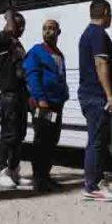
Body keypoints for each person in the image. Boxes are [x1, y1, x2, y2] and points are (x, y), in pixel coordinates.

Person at [78, 0, 112, 202]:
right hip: (96, 96)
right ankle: (92, 186)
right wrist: (110, 95)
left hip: (93, 95)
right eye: (110, 13)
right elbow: (100, 64)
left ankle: (96, 179)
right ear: (105, 12)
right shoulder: (97, 34)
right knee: (96, 141)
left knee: (99, 140)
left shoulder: (91, 33)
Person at [24, 19, 69, 192]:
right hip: (42, 105)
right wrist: (41, 100)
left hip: (56, 104)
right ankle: (39, 179)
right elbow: (32, 76)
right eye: (45, 29)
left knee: (52, 139)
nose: (48, 32)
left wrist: (64, 95)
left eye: (52, 29)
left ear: (58, 32)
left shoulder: (59, 53)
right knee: (41, 139)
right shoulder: (37, 52)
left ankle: (46, 176)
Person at [0, 9, 32, 189]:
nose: (21, 28)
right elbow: (8, 31)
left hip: (21, 95)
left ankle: (14, 170)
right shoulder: (2, 40)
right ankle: (2, 171)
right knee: (8, 134)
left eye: (23, 25)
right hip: (8, 95)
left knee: (20, 135)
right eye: (18, 24)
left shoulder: (19, 45)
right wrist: (10, 14)